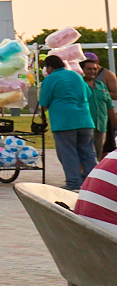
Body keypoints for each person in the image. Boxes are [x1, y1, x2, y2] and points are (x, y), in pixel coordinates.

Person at [41, 54, 99, 192]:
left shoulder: (50, 79)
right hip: (85, 120)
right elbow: (88, 94)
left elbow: (44, 101)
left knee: (68, 153)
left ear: (50, 67)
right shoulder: (76, 76)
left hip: (64, 121)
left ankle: (74, 183)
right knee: (88, 153)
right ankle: (94, 184)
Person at [84, 54, 117, 159]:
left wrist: (116, 123)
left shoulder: (101, 85)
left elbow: (109, 106)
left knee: (98, 154)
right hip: (84, 126)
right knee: (86, 156)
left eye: (94, 69)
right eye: (89, 69)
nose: (92, 71)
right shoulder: (79, 85)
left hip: (101, 126)